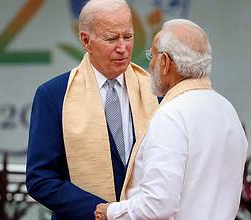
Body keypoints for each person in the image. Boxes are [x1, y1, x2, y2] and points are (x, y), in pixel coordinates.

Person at [94, 19, 248, 220]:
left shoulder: (171, 114)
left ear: (165, 63)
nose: (150, 65)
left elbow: (158, 206)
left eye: (152, 55)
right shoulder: (227, 110)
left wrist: (111, 212)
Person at [26, 0, 159, 219]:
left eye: (128, 36)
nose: (122, 47)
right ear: (86, 41)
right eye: (111, 38)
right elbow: (41, 179)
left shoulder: (155, 92)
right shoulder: (54, 95)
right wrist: (103, 212)